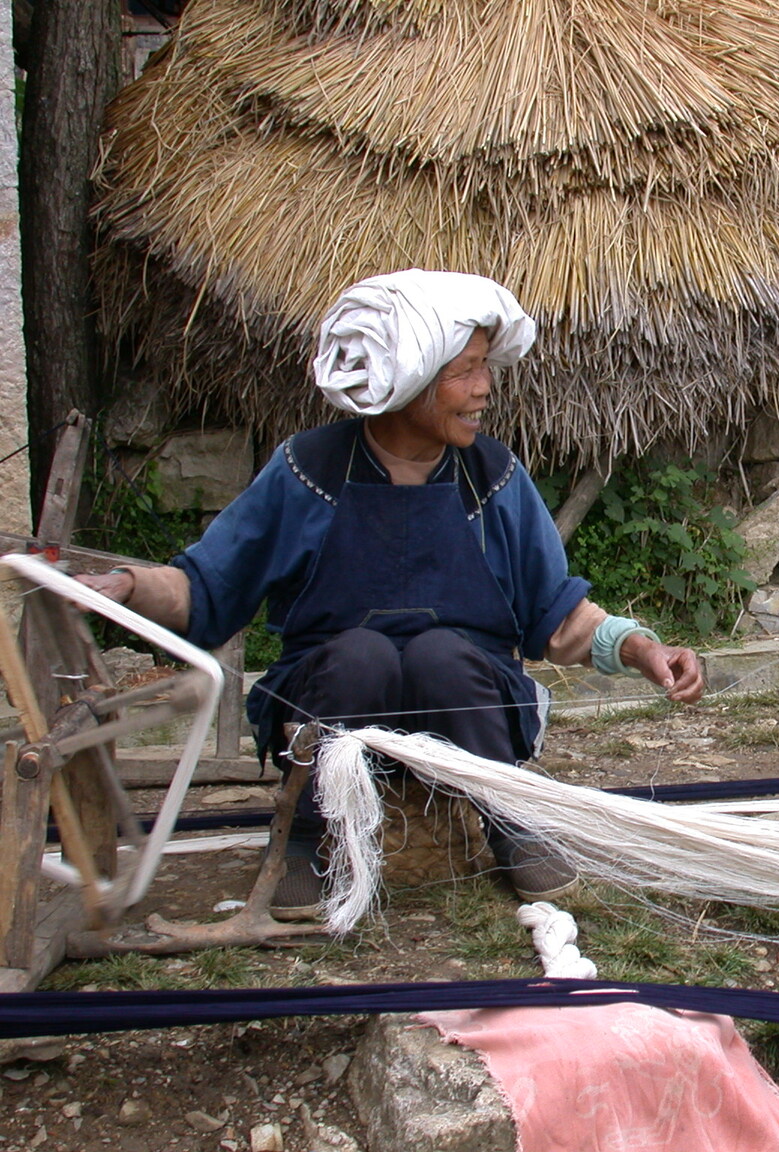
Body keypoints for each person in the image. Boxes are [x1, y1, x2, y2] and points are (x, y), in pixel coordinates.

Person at [79, 269, 705, 918]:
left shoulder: (494, 477)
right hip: (337, 706)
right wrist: (127, 586)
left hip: (463, 716)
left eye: (485, 367)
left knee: (441, 655)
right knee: (362, 657)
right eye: (465, 371)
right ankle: (310, 832)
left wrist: (641, 649)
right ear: (410, 379)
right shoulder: (306, 471)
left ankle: (511, 818)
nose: (485, 388)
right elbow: (207, 588)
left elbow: (559, 613)